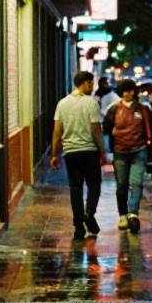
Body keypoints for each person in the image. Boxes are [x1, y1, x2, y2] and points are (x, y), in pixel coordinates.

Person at [50, 71, 106, 240]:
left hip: (70, 153)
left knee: (75, 188)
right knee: (94, 184)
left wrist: (54, 154)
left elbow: (57, 131)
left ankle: (78, 228)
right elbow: (96, 129)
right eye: (91, 83)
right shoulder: (91, 103)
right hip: (89, 151)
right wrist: (102, 151)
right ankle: (89, 213)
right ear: (83, 83)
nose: (93, 87)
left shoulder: (62, 103)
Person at [103, 78, 152, 233]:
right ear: (121, 92)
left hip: (139, 151)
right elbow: (105, 129)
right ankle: (123, 215)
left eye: (131, 90)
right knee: (122, 185)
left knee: (136, 183)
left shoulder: (144, 109)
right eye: (126, 90)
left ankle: (133, 214)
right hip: (120, 152)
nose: (129, 93)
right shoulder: (113, 110)